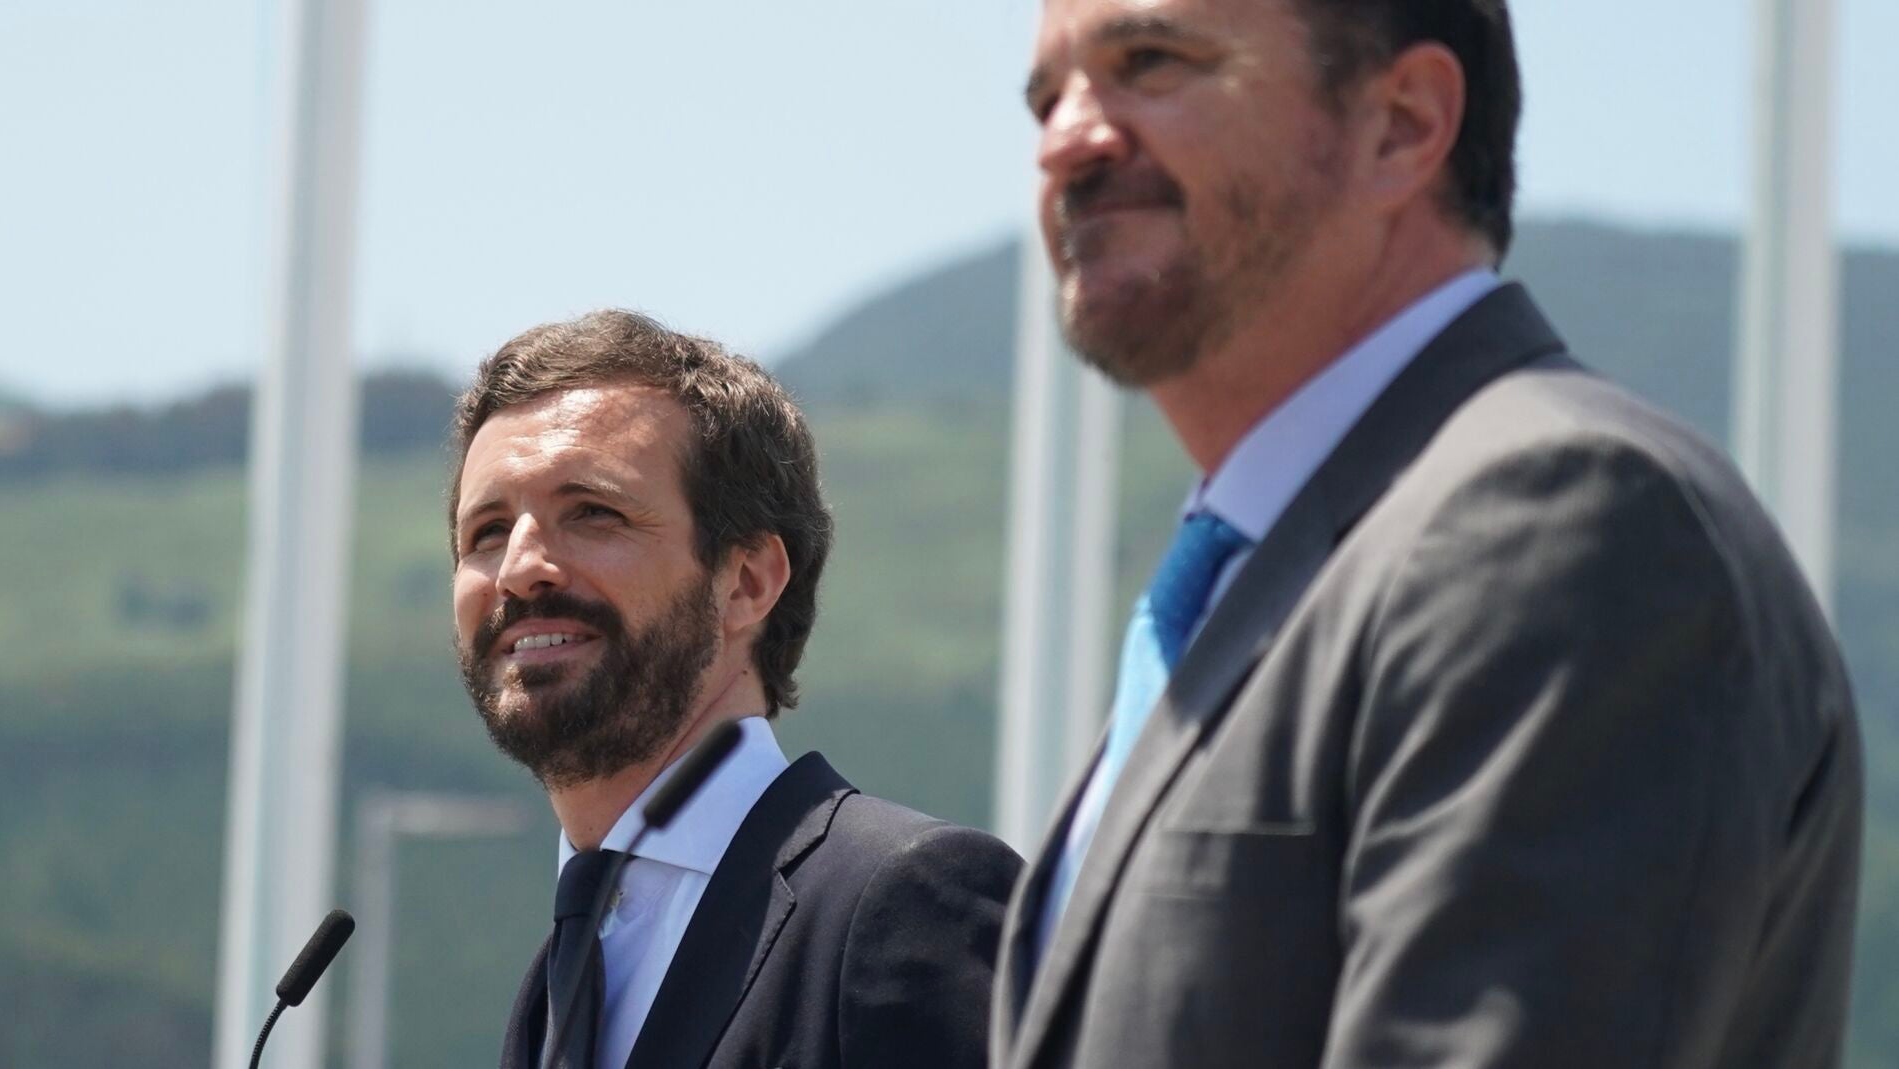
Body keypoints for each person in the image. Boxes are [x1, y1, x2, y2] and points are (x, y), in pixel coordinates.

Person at [994, 2, 1863, 1067]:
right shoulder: (1244, 581)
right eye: (1046, 98)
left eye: (1150, 61)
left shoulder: (1563, 526)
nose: (1066, 140)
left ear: (1401, 125)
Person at [448, 309, 1022, 1069]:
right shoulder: (552, 989)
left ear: (747, 582)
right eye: (486, 532)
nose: (521, 568)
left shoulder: (905, 904)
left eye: (592, 513)